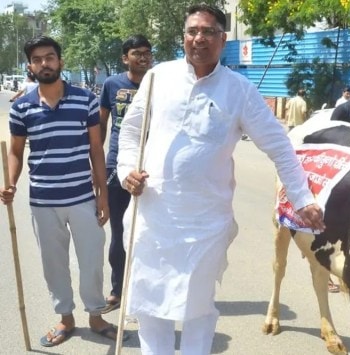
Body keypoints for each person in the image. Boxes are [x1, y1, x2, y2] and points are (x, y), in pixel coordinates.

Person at [116, 4, 325, 354]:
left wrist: (302, 199)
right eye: (192, 31)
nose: (199, 38)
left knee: (196, 308)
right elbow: (131, 130)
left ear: (223, 39)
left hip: (205, 223)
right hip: (152, 215)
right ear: (183, 37)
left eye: (208, 32)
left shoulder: (239, 90)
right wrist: (125, 171)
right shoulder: (158, 77)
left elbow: (279, 146)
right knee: (151, 306)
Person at [0, 36, 120, 347]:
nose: (44, 63)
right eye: (37, 59)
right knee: (53, 264)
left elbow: (96, 148)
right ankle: (66, 319)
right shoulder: (22, 107)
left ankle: (96, 315)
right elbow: (15, 151)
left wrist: (103, 195)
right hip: (43, 200)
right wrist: (11, 182)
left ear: (60, 62)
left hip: (82, 197)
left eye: (50, 57)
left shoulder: (85, 100)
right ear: (30, 66)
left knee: (92, 259)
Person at [98, 34, 153, 314]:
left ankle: (150, 289)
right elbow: (102, 124)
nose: (143, 57)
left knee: (152, 232)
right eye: (137, 53)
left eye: (147, 53)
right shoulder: (112, 85)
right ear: (125, 58)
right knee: (119, 232)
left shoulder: (160, 84)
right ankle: (118, 289)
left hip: (153, 170)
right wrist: (97, 161)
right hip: (117, 168)